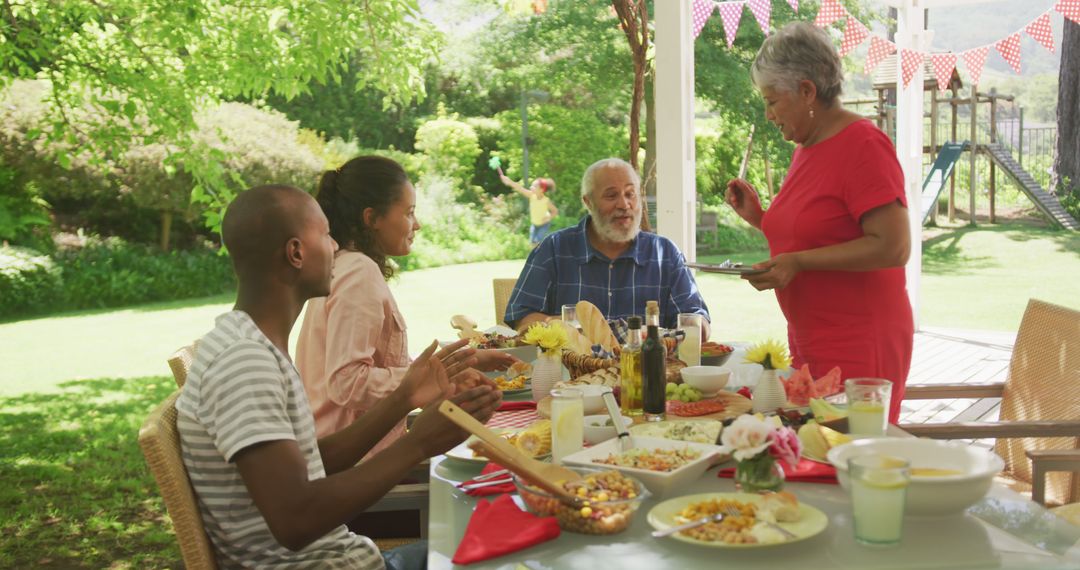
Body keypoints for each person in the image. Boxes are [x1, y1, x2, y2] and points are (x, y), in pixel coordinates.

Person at [176, 184, 501, 569]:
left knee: (505, 531)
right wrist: (418, 444)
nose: (334, 247)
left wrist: (404, 397)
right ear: (296, 252)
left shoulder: (251, 345)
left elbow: (313, 463)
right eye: (326, 234)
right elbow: (296, 520)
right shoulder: (244, 362)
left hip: (348, 557)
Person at [725, 22, 913, 422]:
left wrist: (799, 263)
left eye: (773, 101)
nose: (769, 114)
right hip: (812, 335)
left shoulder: (863, 144)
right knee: (813, 452)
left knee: (848, 457)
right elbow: (819, 232)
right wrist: (760, 218)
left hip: (859, 339)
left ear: (808, 91)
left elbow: (893, 246)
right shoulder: (807, 147)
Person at [297, 155, 517, 450]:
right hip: (355, 462)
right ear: (371, 218)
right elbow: (347, 382)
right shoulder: (357, 273)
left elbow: (378, 364)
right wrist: (434, 380)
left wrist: (462, 362)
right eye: (409, 213)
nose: (418, 224)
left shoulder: (346, 266)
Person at [504, 157, 711, 338]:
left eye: (631, 194)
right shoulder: (554, 250)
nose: (624, 204)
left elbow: (696, 318)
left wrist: (696, 327)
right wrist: (567, 327)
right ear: (588, 202)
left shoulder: (665, 254)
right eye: (611, 196)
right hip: (569, 378)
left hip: (648, 375)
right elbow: (521, 317)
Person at [499, 173, 559, 245]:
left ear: (541, 189)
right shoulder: (531, 195)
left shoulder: (546, 201)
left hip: (543, 225)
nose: (531, 187)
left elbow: (555, 211)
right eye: (532, 185)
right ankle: (537, 254)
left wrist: (548, 218)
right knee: (532, 243)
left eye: (534, 186)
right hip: (534, 224)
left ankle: (540, 254)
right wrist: (509, 181)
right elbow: (520, 188)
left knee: (537, 242)